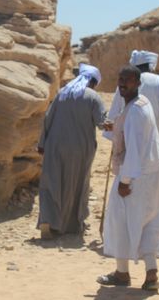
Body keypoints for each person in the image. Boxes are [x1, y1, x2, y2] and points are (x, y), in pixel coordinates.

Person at [98, 65, 159, 291]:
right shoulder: (140, 104)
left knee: (121, 221)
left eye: (127, 80)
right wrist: (115, 126)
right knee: (149, 221)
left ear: (138, 83)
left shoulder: (137, 111)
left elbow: (135, 150)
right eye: (120, 79)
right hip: (152, 173)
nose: (122, 84)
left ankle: (122, 273)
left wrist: (125, 182)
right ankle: (151, 275)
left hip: (137, 176)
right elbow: (130, 131)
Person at [36, 63, 107, 239]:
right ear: (93, 82)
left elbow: (48, 118)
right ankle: (73, 225)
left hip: (55, 145)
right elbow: (102, 122)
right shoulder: (93, 97)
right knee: (77, 185)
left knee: (52, 183)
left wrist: (42, 143)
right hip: (80, 149)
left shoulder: (62, 93)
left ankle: (49, 222)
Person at [104, 49, 159, 160]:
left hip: (128, 137)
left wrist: (114, 140)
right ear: (150, 66)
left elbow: (115, 111)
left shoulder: (124, 82)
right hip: (154, 138)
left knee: (129, 168)